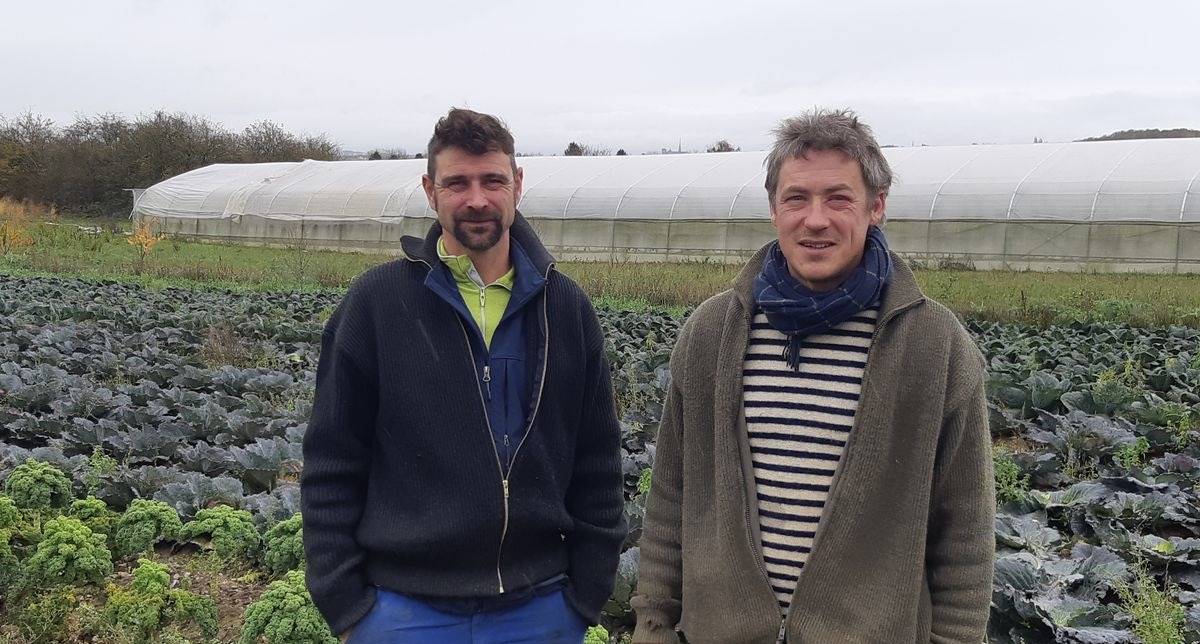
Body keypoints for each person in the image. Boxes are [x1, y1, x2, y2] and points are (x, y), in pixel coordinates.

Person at [631, 108, 994, 644]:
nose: (815, 220)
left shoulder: (935, 347)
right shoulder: (711, 334)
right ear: (774, 209)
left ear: (877, 207)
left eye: (838, 198)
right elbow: (670, 501)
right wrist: (653, 626)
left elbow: (964, 532)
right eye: (796, 198)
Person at [301, 107, 626, 644]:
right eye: (457, 183)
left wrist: (586, 595)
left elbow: (599, 462)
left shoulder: (565, 308)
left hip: (540, 612)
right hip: (402, 613)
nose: (477, 199)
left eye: (492, 180)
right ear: (430, 191)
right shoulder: (376, 305)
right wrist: (348, 607)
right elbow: (332, 461)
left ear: (517, 184)